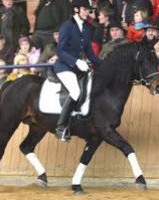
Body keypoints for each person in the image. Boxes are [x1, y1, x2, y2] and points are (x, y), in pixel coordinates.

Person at [53, 0, 101, 142]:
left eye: (88, 10)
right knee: (75, 92)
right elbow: (60, 50)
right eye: (84, 9)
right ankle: (60, 128)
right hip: (64, 66)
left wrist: (103, 65)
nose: (87, 12)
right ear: (76, 10)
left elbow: (90, 53)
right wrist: (76, 61)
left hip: (79, 67)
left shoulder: (87, 27)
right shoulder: (67, 26)